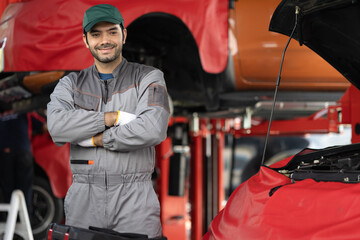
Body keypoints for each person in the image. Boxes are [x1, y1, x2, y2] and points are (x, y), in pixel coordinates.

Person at [47, 4, 170, 239]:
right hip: (85, 198)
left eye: (112, 32)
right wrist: (112, 118)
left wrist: (97, 139)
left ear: (124, 34)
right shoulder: (70, 84)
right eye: (96, 34)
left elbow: (153, 128)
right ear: (85, 40)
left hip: (135, 198)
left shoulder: (148, 77)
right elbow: (57, 127)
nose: (105, 40)